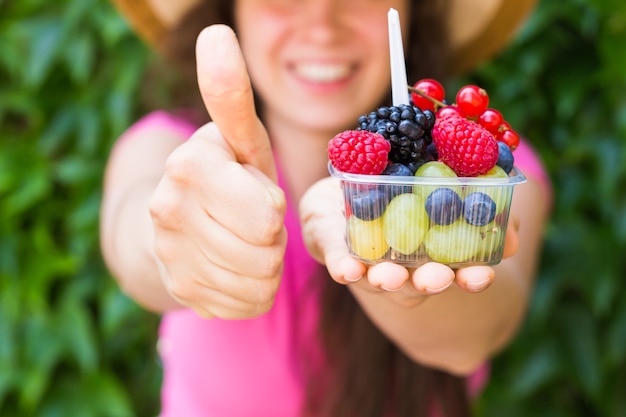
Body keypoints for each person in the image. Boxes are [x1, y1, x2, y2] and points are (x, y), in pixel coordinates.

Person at [101, 0, 551, 416]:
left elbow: (477, 332)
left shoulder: (482, 174)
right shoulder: (165, 147)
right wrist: (182, 239)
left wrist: (402, 278)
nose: (322, 25)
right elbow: (134, 232)